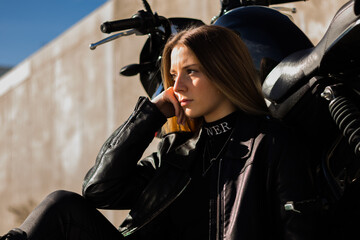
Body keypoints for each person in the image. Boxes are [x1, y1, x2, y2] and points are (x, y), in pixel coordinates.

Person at [1, 25, 319, 240]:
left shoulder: (272, 142)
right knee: (60, 206)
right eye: (173, 75)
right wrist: (151, 114)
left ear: (224, 70)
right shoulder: (178, 150)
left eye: (191, 72)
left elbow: (299, 231)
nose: (176, 87)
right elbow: (99, 190)